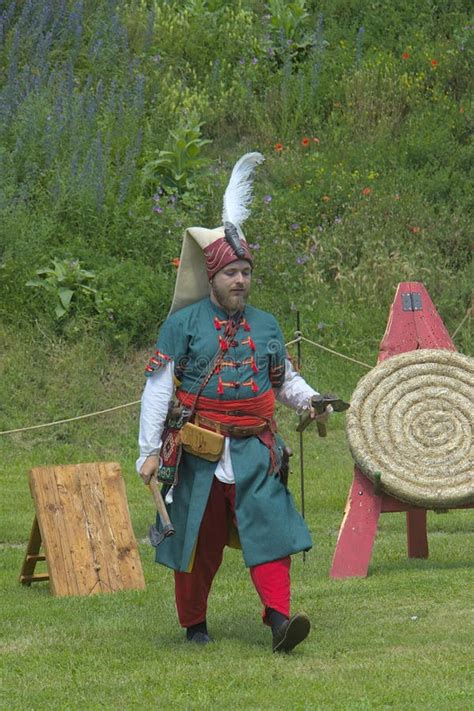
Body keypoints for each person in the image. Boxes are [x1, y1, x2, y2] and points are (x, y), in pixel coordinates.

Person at [137, 153, 330, 653]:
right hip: (197, 452)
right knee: (197, 544)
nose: (240, 280)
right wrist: (148, 450)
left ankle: (281, 623)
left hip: (255, 450)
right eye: (232, 273)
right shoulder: (181, 324)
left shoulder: (265, 324)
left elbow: (282, 379)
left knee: (270, 534)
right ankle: (195, 625)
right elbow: (159, 388)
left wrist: (310, 401)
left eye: (245, 271)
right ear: (213, 276)